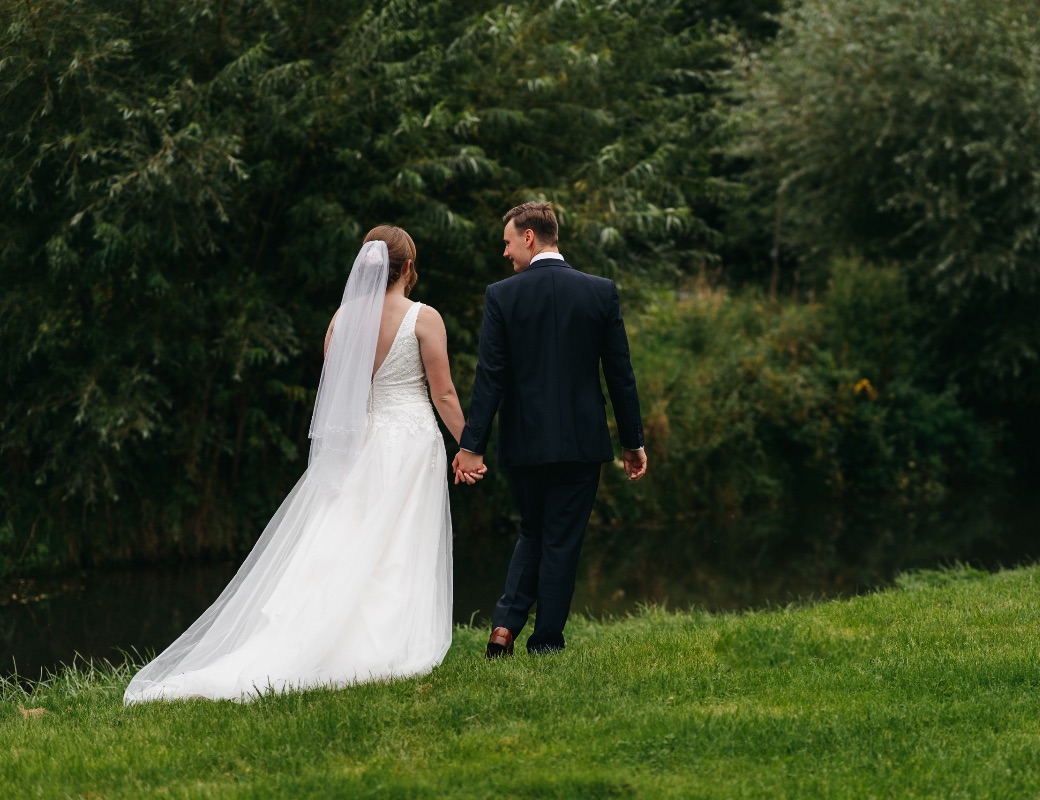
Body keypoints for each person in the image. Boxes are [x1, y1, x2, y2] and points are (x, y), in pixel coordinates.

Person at [124, 226, 485, 704]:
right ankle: (390, 640)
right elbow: (442, 392)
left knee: (347, 537)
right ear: (409, 267)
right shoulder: (424, 317)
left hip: (360, 446)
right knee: (399, 544)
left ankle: (323, 631)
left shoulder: (343, 319)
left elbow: (339, 392)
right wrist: (470, 447)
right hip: (411, 444)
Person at [454, 202, 647, 658]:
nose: (505, 253)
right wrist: (633, 442)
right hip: (582, 442)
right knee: (561, 540)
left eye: (507, 242)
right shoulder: (600, 292)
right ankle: (545, 642)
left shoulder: (502, 296)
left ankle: (504, 627)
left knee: (533, 531)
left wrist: (472, 446)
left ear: (529, 237)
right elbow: (620, 374)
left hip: (525, 441)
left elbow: (490, 377)